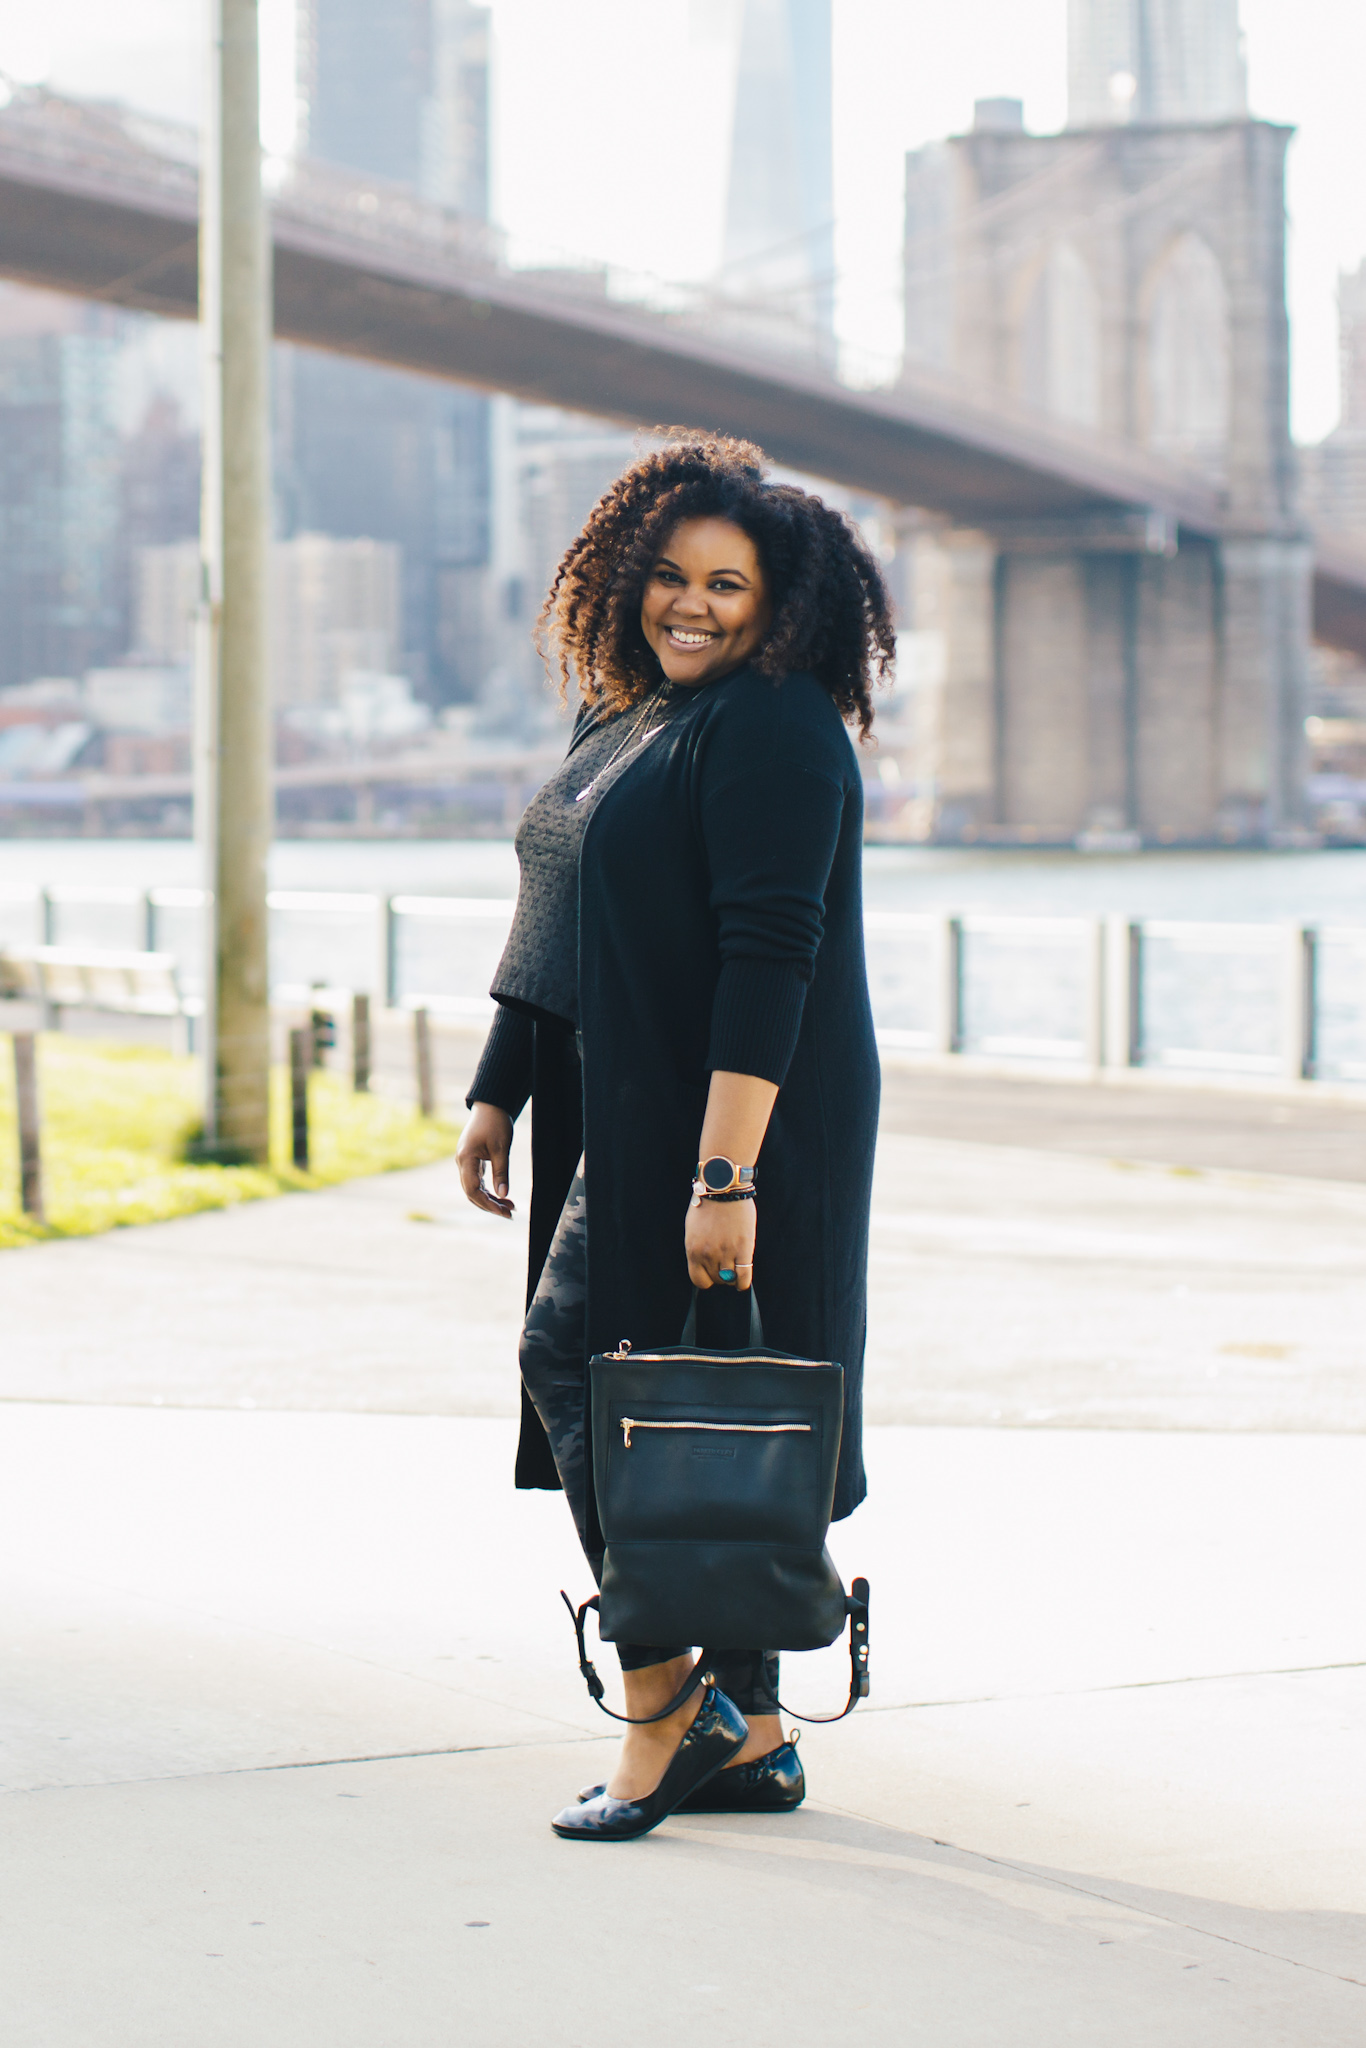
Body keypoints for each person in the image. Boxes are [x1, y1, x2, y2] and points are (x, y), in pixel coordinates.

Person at [456, 432, 892, 1841]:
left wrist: (726, 1174)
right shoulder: (625, 715)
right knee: (699, 1402)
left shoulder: (774, 725)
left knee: (616, 1379)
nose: (688, 603)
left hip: (736, 1117)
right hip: (628, 1098)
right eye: (666, 576)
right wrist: (498, 1085)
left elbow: (773, 952)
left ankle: (662, 1711)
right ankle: (753, 1735)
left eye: (726, 583)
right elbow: (559, 918)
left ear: (782, 605)